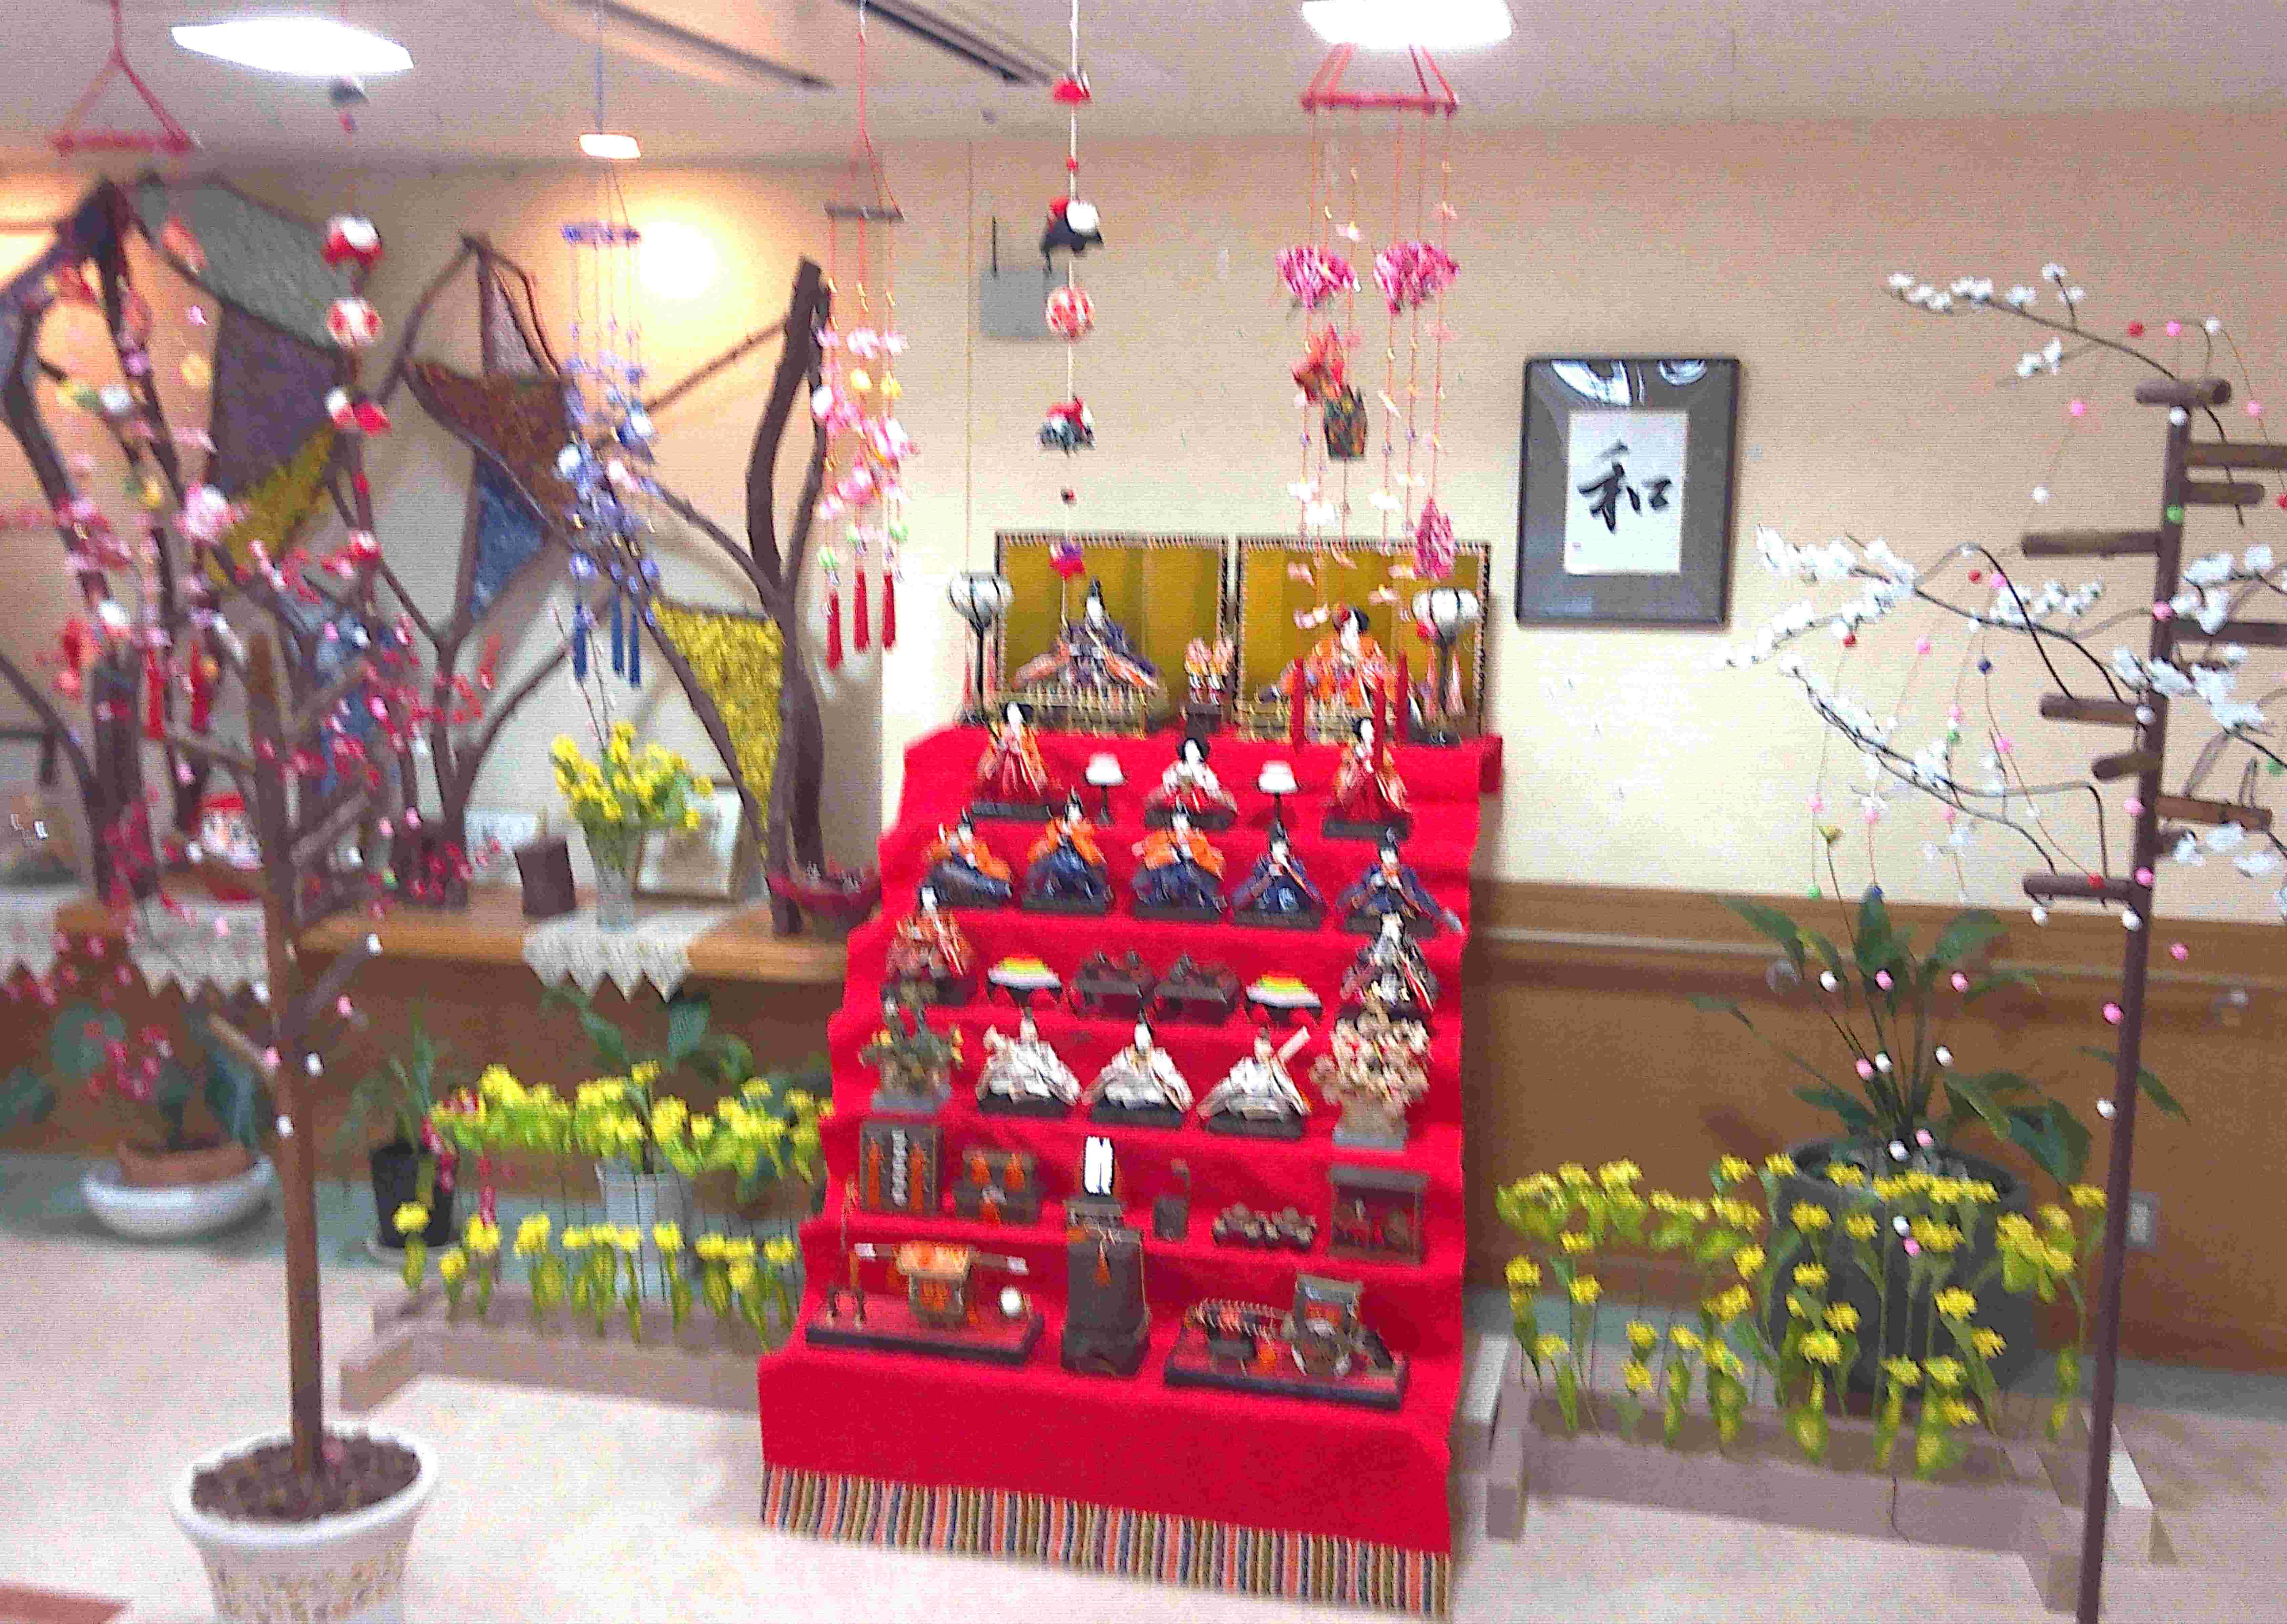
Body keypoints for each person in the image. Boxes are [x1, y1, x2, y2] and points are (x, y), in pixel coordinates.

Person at [1012, 579, 1162, 698]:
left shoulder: (1116, 632)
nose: (1094, 613)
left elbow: (1123, 658)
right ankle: (1017, 686)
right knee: (1046, 664)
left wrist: (1112, 662)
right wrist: (1061, 655)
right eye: (1091, 607)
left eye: (1097, 608)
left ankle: (1150, 687)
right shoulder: (1074, 630)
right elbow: (1060, 656)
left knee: (1124, 666)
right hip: (1075, 678)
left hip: (1107, 679)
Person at [1268, 604, 1394, 711]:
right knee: (1303, 675)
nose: (1346, 629)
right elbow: (1312, 668)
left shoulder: (1369, 645)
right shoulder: (1328, 644)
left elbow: (1382, 672)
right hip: (1325, 699)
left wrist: (1360, 664)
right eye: (1344, 625)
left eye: (1349, 625)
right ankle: (1278, 692)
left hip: (1358, 702)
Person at [1197, 1027, 1314, 1129]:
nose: (1261, 1051)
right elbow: (1228, 1087)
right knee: (1228, 1095)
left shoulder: (1276, 1067)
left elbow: (1287, 1091)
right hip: (1246, 1105)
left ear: (1270, 1049)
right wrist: (1208, 1107)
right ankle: (1208, 1111)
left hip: (1271, 1107)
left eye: (1265, 1046)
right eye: (1258, 1046)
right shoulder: (1245, 1065)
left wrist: (1300, 1105)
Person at [1337, 838, 1461, 935]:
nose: (1390, 863)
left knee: (1424, 900)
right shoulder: (1373, 872)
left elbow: (1416, 900)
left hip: (1403, 907)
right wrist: (1371, 889)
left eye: (1392, 857)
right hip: (1377, 906)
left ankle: (1444, 918)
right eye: (1385, 857)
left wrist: (1400, 888)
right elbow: (1356, 900)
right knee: (1354, 895)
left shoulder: (1406, 874)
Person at [976, 1010, 1082, 1109]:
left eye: (1031, 1029)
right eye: (1025, 1029)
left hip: (1041, 1088)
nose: (1028, 1034)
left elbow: (1054, 1073)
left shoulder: (1044, 1049)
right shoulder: (1009, 1051)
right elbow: (983, 1093)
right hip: (1016, 1086)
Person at [1022, 792, 1112, 908]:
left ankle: (1098, 893)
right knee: (1041, 864)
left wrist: (1074, 834)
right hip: (1059, 858)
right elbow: (1050, 841)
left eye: (1077, 810)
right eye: (1072, 809)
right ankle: (1037, 891)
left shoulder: (1085, 826)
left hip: (1079, 860)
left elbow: (1087, 845)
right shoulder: (1056, 825)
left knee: (1096, 869)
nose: (1076, 813)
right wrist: (1059, 839)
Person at [1083, 1019, 1193, 1114]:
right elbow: (1108, 1074)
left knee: (1155, 1095)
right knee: (1111, 1090)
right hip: (1130, 1092)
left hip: (1151, 1092)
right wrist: (1092, 1090)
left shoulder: (1159, 1057)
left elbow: (1173, 1078)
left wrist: (1184, 1097)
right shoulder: (1126, 1056)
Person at [1131, 808, 1226, 914]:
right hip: (1167, 870)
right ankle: (1158, 898)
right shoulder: (1165, 836)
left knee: (1193, 877)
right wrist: (1145, 847)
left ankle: (1206, 900)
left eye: (1185, 829)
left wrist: (1187, 854)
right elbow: (1151, 849)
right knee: (1161, 875)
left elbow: (1205, 858)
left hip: (1191, 870)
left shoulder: (1198, 839)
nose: (1182, 833)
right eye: (1178, 829)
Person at [1341, 913, 1438, 1010]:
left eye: (1347, 988)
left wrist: (1371, 957)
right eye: (1349, 991)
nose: (1351, 985)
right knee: (1390, 987)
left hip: (1388, 956)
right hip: (1392, 970)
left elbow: (1366, 956)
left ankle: (1391, 929)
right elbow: (1378, 987)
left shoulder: (1357, 967)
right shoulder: (1364, 994)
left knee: (1381, 953)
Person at [1230, 822, 1325, 920]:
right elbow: (1237, 903)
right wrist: (1262, 885)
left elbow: (1319, 904)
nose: (1282, 849)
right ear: (1271, 849)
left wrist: (1293, 875)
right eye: (1277, 845)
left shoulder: (1297, 869)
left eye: (1284, 845)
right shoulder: (1263, 870)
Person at [1328, 714, 1409, 829]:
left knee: (1387, 782)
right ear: (1360, 732)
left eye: (1372, 728)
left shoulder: (1381, 750)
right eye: (1367, 729)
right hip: (1358, 781)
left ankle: (1388, 810)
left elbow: (1387, 767)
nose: (1371, 731)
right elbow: (1350, 765)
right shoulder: (1354, 749)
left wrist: (1378, 771)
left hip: (1378, 781)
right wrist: (1360, 767)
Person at [885, 885, 974, 985]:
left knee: (937, 960)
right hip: (923, 948)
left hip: (940, 947)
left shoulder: (946, 921)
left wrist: (948, 939)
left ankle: (945, 985)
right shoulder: (910, 924)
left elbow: (961, 948)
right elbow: (901, 944)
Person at [923, 811, 1014, 907]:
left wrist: (973, 857)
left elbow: (986, 865)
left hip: (981, 875)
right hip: (961, 875)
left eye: (966, 830)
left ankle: (995, 887)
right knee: (949, 869)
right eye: (962, 830)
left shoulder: (978, 845)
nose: (964, 834)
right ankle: (993, 886)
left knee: (969, 875)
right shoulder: (952, 844)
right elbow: (932, 855)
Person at [975, 700, 1056, 807]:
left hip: (1023, 762)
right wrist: (1003, 748)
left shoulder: (1026, 732)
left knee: (1029, 780)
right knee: (1003, 779)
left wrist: (1024, 755)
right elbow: (996, 750)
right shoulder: (1002, 730)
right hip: (1006, 762)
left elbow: (1032, 751)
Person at [1142, 735, 1238, 824]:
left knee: (1224, 817)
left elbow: (1215, 793)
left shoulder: (1205, 772)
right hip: (1179, 809)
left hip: (1201, 813)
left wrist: (1229, 803)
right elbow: (1167, 791)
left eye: (1197, 758)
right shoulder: (1177, 769)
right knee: (1154, 816)